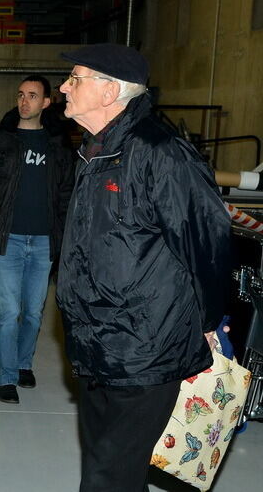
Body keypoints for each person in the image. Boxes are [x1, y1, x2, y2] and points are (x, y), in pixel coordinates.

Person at [55, 43, 231, 491]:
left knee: (107, 476)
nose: (63, 88)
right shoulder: (96, 151)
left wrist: (209, 319)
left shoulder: (160, 152)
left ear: (109, 91)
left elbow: (207, 239)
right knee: (109, 467)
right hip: (95, 343)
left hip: (144, 347)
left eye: (75, 78)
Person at [0, 75, 75, 404]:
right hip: (7, 238)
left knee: (34, 312)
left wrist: (69, 234)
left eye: (32, 96)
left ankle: (25, 363)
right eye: (20, 95)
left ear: (46, 102)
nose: (24, 101)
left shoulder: (59, 142)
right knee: (8, 310)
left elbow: (68, 193)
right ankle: (7, 377)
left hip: (44, 241)